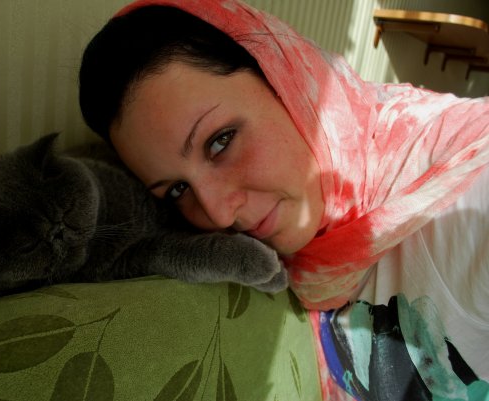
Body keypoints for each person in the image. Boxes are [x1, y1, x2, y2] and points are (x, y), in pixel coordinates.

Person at [78, 0, 489, 399]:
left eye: (221, 141)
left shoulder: (469, 187)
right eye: (177, 190)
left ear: (284, 77)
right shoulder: (289, 235)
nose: (219, 215)